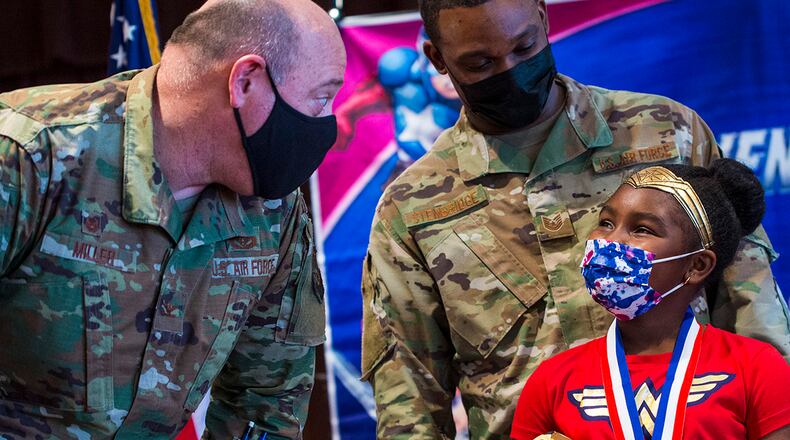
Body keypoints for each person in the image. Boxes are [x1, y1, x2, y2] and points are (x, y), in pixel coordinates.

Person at [360, 0, 790, 438]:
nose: (510, 70)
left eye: (524, 47)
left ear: (544, 19)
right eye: (481, 62)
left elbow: (751, 308)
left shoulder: (663, 132)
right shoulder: (412, 204)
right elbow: (409, 401)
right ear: (436, 59)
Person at [0, 0, 345, 438]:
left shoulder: (273, 212)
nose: (327, 123)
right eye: (322, 98)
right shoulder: (29, 157)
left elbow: (266, 406)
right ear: (245, 81)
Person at [511, 160, 790, 440]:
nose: (611, 241)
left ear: (697, 265)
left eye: (642, 229)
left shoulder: (756, 368)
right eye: (606, 223)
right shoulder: (552, 380)